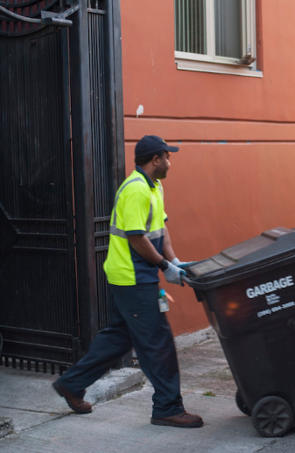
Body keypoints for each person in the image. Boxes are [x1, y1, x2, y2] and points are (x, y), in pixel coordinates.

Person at [52, 135, 203, 428]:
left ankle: (72, 384)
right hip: (132, 277)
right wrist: (162, 265)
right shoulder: (135, 189)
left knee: (119, 337)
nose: (170, 162)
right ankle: (167, 408)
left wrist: (174, 262)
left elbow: (161, 229)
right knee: (158, 344)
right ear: (155, 159)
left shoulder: (154, 186)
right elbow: (136, 237)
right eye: (167, 157)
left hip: (138, 275)